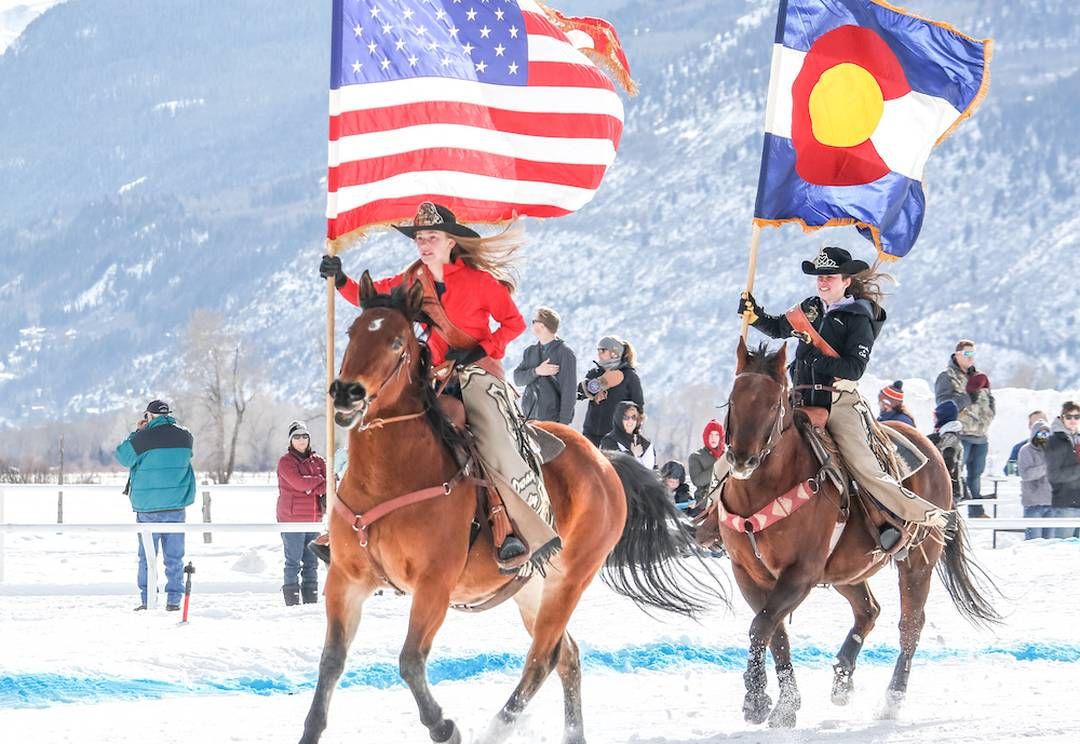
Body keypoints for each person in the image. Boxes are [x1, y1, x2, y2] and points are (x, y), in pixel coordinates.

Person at [319, 201, 556, 571]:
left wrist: (481, 349)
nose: (424, 244)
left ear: (451, 242)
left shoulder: (480, 282)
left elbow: (514, 323)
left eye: (432, 237)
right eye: (420, 238)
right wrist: (341, 278)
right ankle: (346, 523)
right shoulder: (413, 278)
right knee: (378, 423)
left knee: (493, 441)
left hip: (478, 373)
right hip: (434, 375)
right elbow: (372, 298)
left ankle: (507, 525)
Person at [737, 246, 947, 550]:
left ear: (846, 281)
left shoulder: (859, 317)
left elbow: (853, 368)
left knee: (863, 465)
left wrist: (814, 358)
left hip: (837, 401)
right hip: (798, 398)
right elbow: (778, 327)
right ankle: (715, 512)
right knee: (746, 441)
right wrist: (755, 315)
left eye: (830, 277)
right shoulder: (809, 308)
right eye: (820, 277)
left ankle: (907, 516)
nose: (823, 282)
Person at [114, 399, 195, 611]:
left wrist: (138, 432)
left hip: (148, 507)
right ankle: (174, 601)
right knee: (175, 557)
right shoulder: (185, 436)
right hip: (176, 506)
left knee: (147, 557)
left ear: (148, 416)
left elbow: (122, 456)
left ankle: (148, 600)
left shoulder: (143, 438)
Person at [276, 421, 326, 606]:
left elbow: (330, 483)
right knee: (293, 563)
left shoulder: (319, 461)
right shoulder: (286, 462)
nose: (301, 440)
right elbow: (299, 483)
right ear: (290, 440)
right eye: (296, 436)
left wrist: (312, 486)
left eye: (305, 436)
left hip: (314, 519)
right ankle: (292, 604)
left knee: (312, 563)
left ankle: (310, 603)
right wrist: (318, 481)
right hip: (292, 520)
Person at [513, 306, 578, 425]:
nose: (532, 325)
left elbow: (569, 391)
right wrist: (537, 371)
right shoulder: (529, 352)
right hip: (529, 419)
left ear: (542, 325)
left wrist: (563, 424)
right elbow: (517, 379)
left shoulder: (565, 353)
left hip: (552, 421)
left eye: (534, 321)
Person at [578, 336, 644, 447]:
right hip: (591, 432)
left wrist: (634, 433)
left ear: (615, 353)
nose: (599, 353)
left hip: (616, 435)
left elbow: (639, 407)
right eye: (598, 350)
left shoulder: (630, 376)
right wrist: (600, 383)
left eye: (603, 350)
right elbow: (579, 394)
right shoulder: (595, 373)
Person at [958, 371, 996, 517]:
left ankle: (976, 511)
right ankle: (953, 508)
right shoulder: (965, 393)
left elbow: (990, 410)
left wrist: (990, 414)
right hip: (964, 435)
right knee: (957, 472)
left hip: (981, 437)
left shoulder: (986, 394)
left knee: (976, 475)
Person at [1045, 401, 1080, 539]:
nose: (1073, 420)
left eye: (1077, 417)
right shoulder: (1054, 441)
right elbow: (1054, 475)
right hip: (1066, 504)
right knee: (1064, 547)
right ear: (1062, 418)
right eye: (1069, 416)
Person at [1018, 418, 1054, 540]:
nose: (1044, 437)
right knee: (1034, 542)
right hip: (1033, 504)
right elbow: (1026, 475)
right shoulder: (1025, 450)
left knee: (1051, 543)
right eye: (1041, 433)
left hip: (1052, 504)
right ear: (1034, 434)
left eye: (1047, 433)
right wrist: (1046, 467)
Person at [927, 400, 968, 507]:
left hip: (949, 490)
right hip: (944, 488)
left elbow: (947, 466)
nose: (934, 419)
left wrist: (930, 447)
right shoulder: (942, 436)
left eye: (935, 416)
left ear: (943, 417)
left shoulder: (950, 439)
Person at [599, 401, 655, 468]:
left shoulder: (646, 443)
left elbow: (653, 469)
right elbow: (612, 466)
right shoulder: (609, 441)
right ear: (619, 419)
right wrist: (632, 454)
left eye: (634, 417)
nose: (630, 421)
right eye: (626, 417)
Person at [688, 420, 725, 505]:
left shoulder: (729, 455)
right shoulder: (696, 457)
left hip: (728, 502)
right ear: (706, 436)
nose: (713, 438)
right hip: (705, 503)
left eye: (717, 435)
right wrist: (720, 465)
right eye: (710, 434)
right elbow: (697, 481)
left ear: (721, 437)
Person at [1005, 411, 1047, 476]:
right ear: (1030, 426)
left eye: (1043, 423)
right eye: (1036, 424)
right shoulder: (1019, 448)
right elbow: (1009, 471)